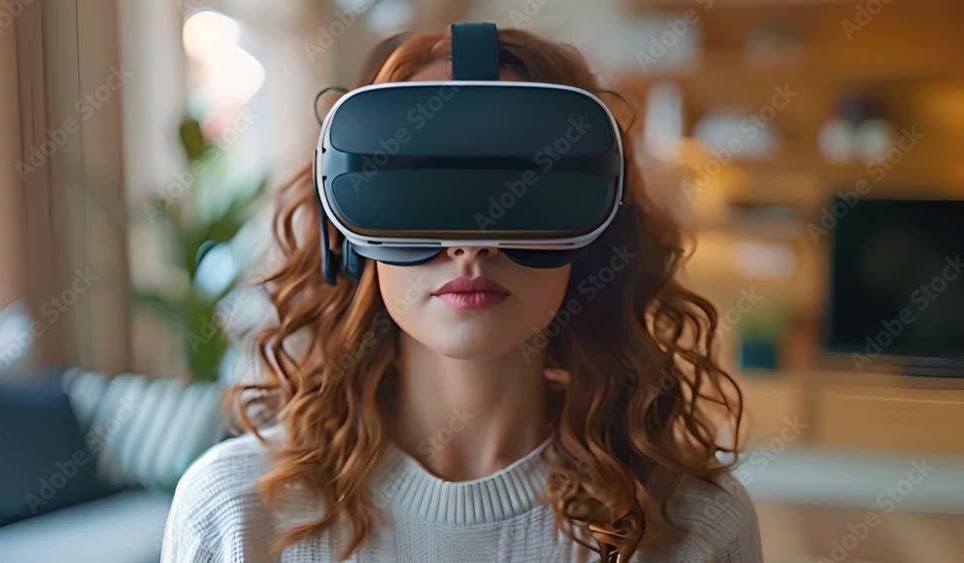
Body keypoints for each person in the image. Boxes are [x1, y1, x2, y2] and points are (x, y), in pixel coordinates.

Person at [160, 25, 764, 563]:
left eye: (524, 185)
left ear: (599, 230)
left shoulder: (689, 528)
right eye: (423, 186)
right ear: (343, 235)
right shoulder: (235, 513)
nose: (471, 246)